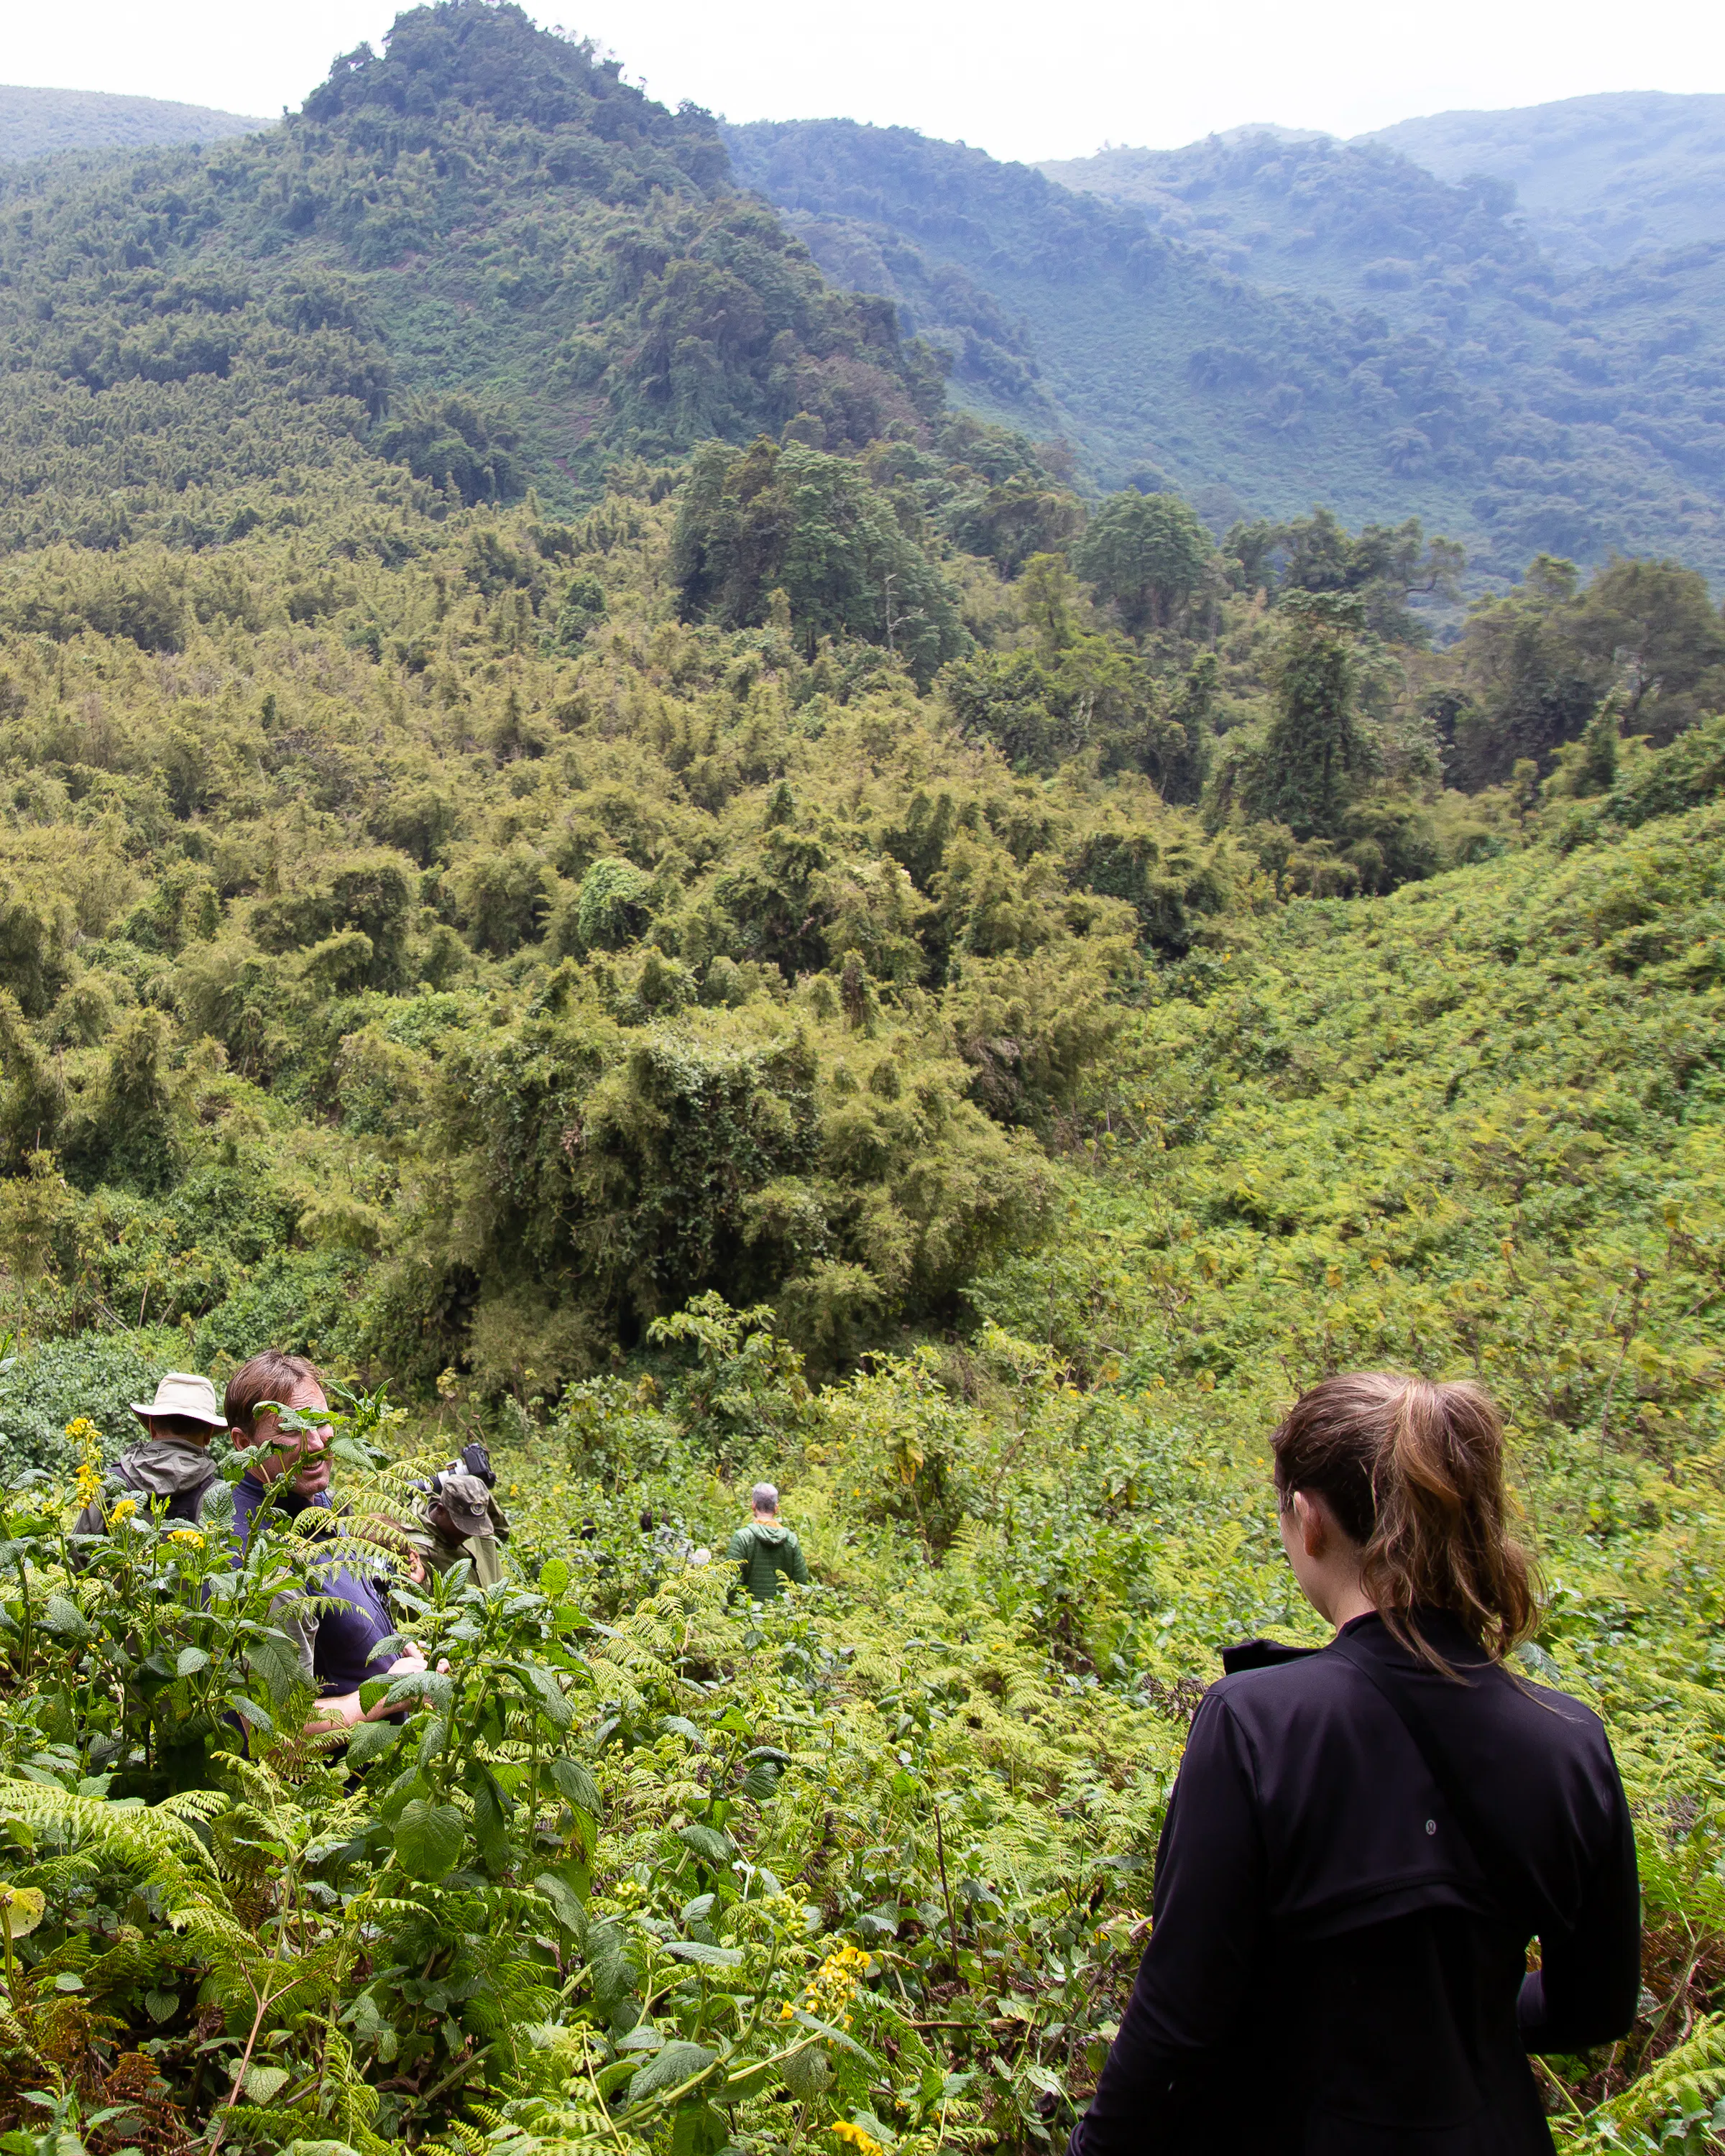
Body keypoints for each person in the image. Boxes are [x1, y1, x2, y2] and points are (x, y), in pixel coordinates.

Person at [1072, 1372, 1639, 2156]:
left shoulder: (1255, 1725)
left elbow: (1176, 2028)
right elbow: (1596, 2008)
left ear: (1308, 1522)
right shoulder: (1570, 1739)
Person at [224, 1349, 428, 1739]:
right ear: (243, 1442)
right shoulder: (259, 1557)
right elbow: (273, 1730)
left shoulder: (314, 1505)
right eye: (289, 1429)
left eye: (320, 1421)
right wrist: (387, 1694)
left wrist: (398, 1653)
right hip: (330, 1789)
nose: (316, 1443)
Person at [72, 1371, 227, 1537]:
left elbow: (75, 1558)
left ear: (151, 1426)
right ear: (209, 1434)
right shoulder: (217, 1498)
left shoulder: (107, 1485)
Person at [405, 1468, 510, 1588]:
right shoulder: (417, 1547)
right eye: (463, 1526)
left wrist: (475, 1489)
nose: (470, 1533)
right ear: (441, 1510)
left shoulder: (473, 1517)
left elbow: (501, 1533)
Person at [726, 1483, 809, 1601]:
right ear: (776, 1508)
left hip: (747, 1615)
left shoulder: (742, 1537)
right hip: (783, 1613)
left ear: (753, 1505)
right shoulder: (791, 1539)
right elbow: (802, 1582)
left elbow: (732, 1582)